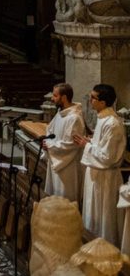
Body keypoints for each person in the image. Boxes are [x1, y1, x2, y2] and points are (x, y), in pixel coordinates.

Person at [73, 84, 126, 246]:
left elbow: (108, 157)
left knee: (104, 219)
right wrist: (91, 142)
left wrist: (86, 145)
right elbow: (102, 147)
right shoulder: (103, 119)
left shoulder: (113, 124)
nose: (90, 101)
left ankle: (103, 252)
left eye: (93, 98)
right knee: (92, 216)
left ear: (103, 102)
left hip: (105, 179)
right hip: (96, 176)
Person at [41, 83, 85, 202]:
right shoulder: (61, 114)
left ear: (64, 97)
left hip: (67, 167)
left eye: (55, 95)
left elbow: (70, 144)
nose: (52, 98)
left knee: (66, 202)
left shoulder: (74, 118)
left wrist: (49, 145)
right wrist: (47, 142)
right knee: (56, 200)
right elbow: (50, 130)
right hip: (57, 163)